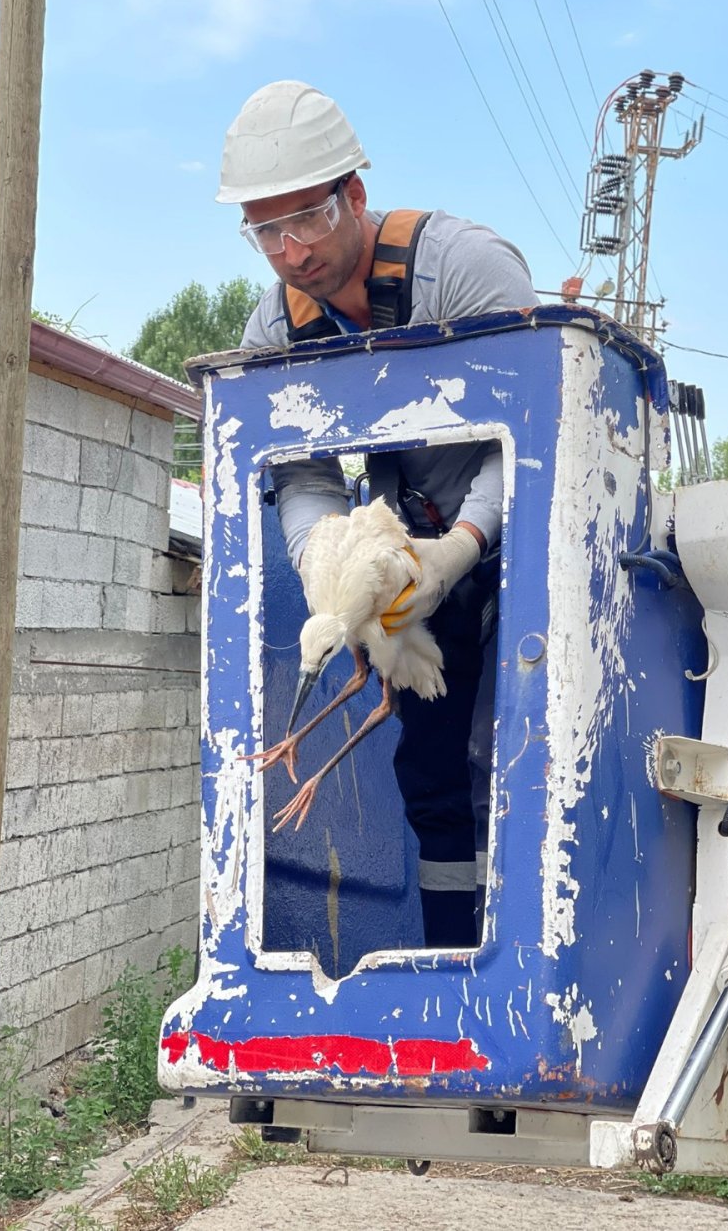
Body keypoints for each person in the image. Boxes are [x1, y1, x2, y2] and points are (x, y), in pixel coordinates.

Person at [216, 80, 538, 947]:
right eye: (264, 231)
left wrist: (461, 549)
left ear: (354, 195)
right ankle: (450, 979)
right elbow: (301, 473)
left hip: (516, 546)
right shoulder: (276, 334)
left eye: (307, 221)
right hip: (401, 556)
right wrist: (329, 559)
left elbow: (537, 437)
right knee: (430, 779)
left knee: (508, 769)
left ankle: (519, 989)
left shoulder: (466, 274)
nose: (288, 252)